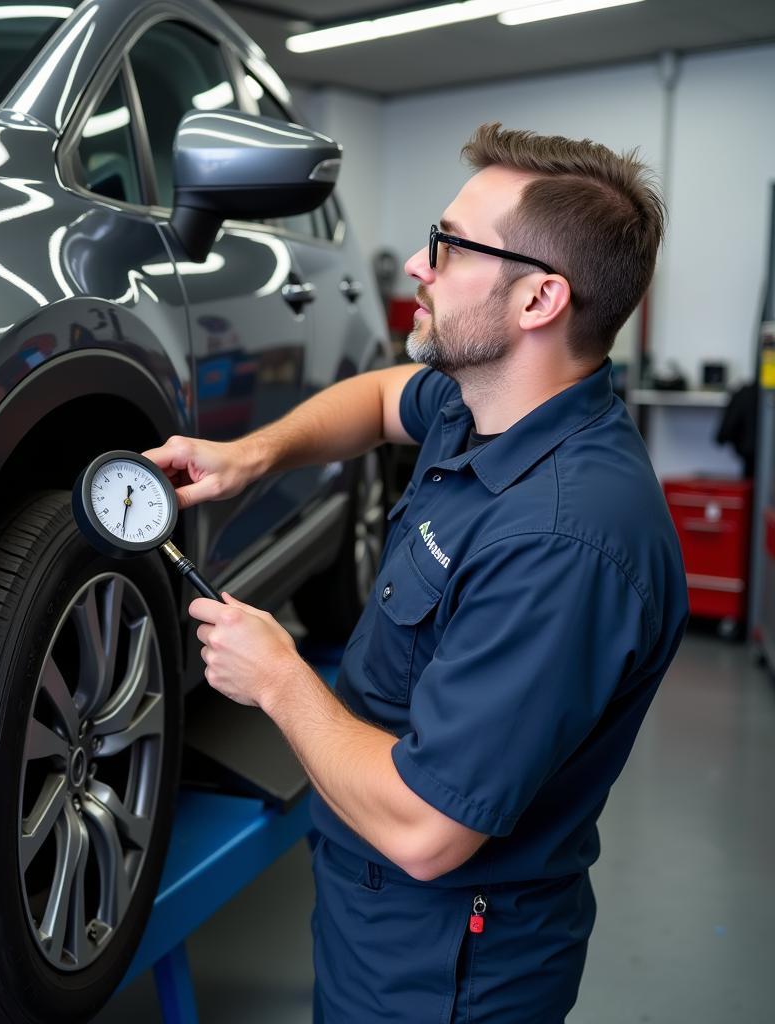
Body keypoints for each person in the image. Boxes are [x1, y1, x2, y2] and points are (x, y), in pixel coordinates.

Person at [144, 122, 688, 1023]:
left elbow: (429, 832)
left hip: (449, 963)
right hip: (374, 910)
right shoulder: (489, 402)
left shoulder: (565, 542)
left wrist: (279, 679)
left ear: (539, 300)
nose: (416, 267)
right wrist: (251, 455)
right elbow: (381, 398)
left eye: (450, 246)